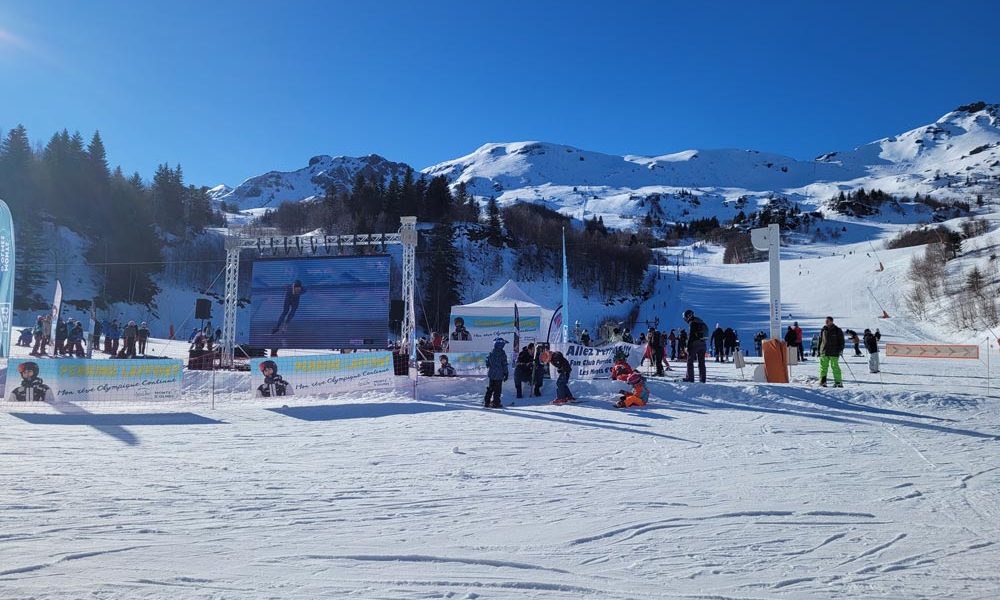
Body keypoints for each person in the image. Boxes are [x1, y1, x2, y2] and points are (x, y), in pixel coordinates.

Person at [818, 316, 845, 387]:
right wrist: (819, 350)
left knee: (835, 367)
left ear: (832, 321)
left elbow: (842, 341)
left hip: (834, 352)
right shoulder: (823, 330)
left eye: (828, 321)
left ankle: (838, 382)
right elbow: (820, 340)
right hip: (824, 351)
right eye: (826, 321)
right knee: (823, 367)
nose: (826, 322)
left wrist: (840, 350)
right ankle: (823, 381)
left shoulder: (837, 330)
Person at [683, 309, 708, 383]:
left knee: (689, 361)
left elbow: (691, 335)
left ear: (687, 316)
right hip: (703, 344)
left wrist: (688, 346)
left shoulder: (692, 322)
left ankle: (690, 378)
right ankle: (702, 379)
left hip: (695, 344)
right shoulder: (699, 321)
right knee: (701, 362)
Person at [483, 337, 509, 408]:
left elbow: (487, 362)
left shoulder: (491, 352)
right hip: (499, 374)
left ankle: (487, 402)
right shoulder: (502, 353)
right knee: (497, 389)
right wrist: (506, 373)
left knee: (490, 388)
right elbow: (504, 364)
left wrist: (490, 366)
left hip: (491, 374)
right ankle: (496, 403)